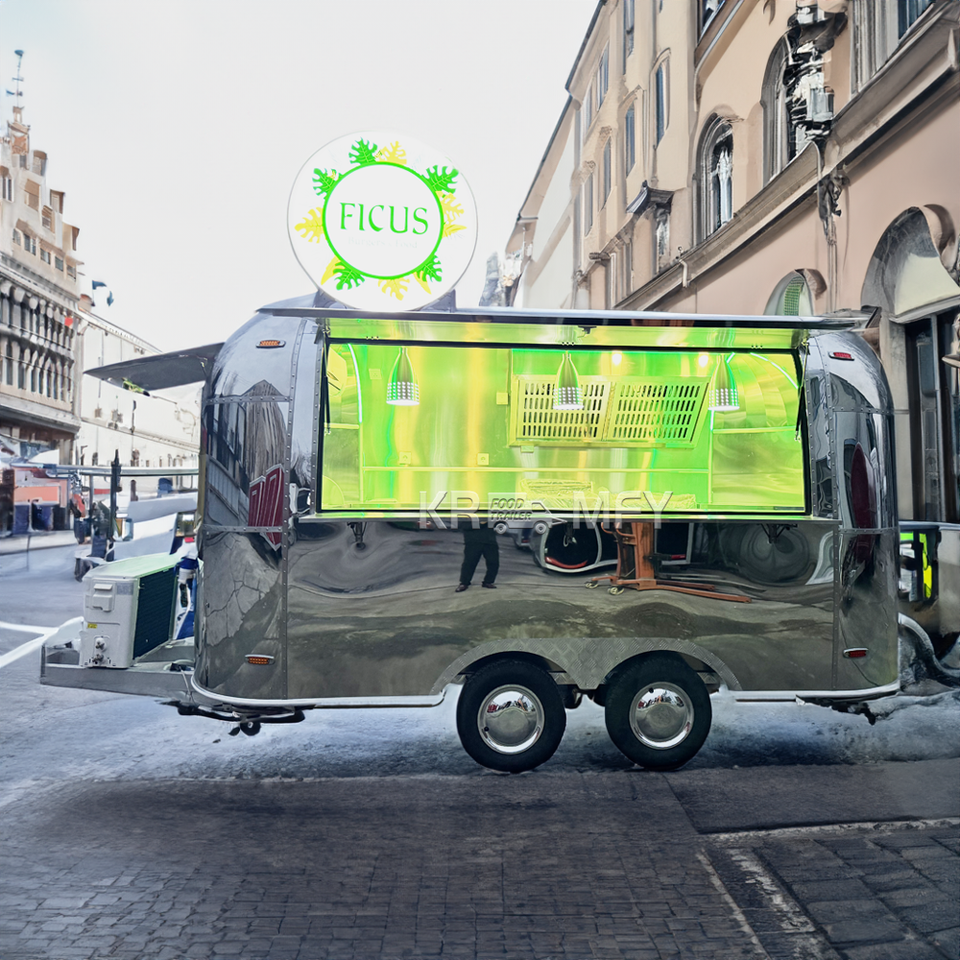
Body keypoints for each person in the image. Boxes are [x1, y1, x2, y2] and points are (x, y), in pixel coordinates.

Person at [456, 519, 500, 592]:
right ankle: (464, 583)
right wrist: (481, 523)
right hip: (473, 541)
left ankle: (488, 581)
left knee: (494, 562)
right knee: (469, 562)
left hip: (490, 541)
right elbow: (463, 525)